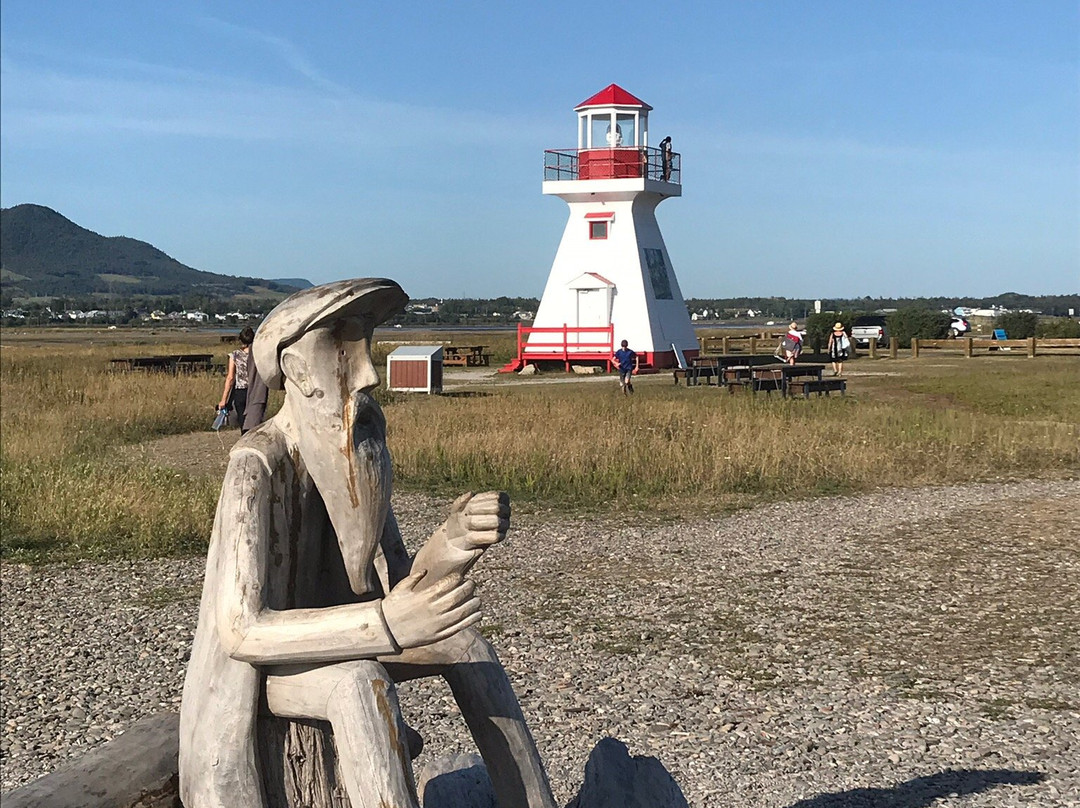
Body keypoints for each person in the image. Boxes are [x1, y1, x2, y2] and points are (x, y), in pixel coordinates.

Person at [180, 279, 556, 808]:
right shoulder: (256, 466)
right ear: (297, 370)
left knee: (467, 644)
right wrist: (385, 625)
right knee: (359, 685)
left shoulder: (353, 449)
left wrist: (451, 545)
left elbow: (401, 586)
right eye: (344, 349)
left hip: (347, 639)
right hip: (270, 670)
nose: (368, 372)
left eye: (366, 346)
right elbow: (241, 630)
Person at [217, 326, 255, 431]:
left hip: (240, 391)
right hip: (255, 391)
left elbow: (230, 378)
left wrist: (223, 400)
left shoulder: (235, 355)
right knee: (255, 422)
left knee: (243, 423)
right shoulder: (257, 354)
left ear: (240, 339)